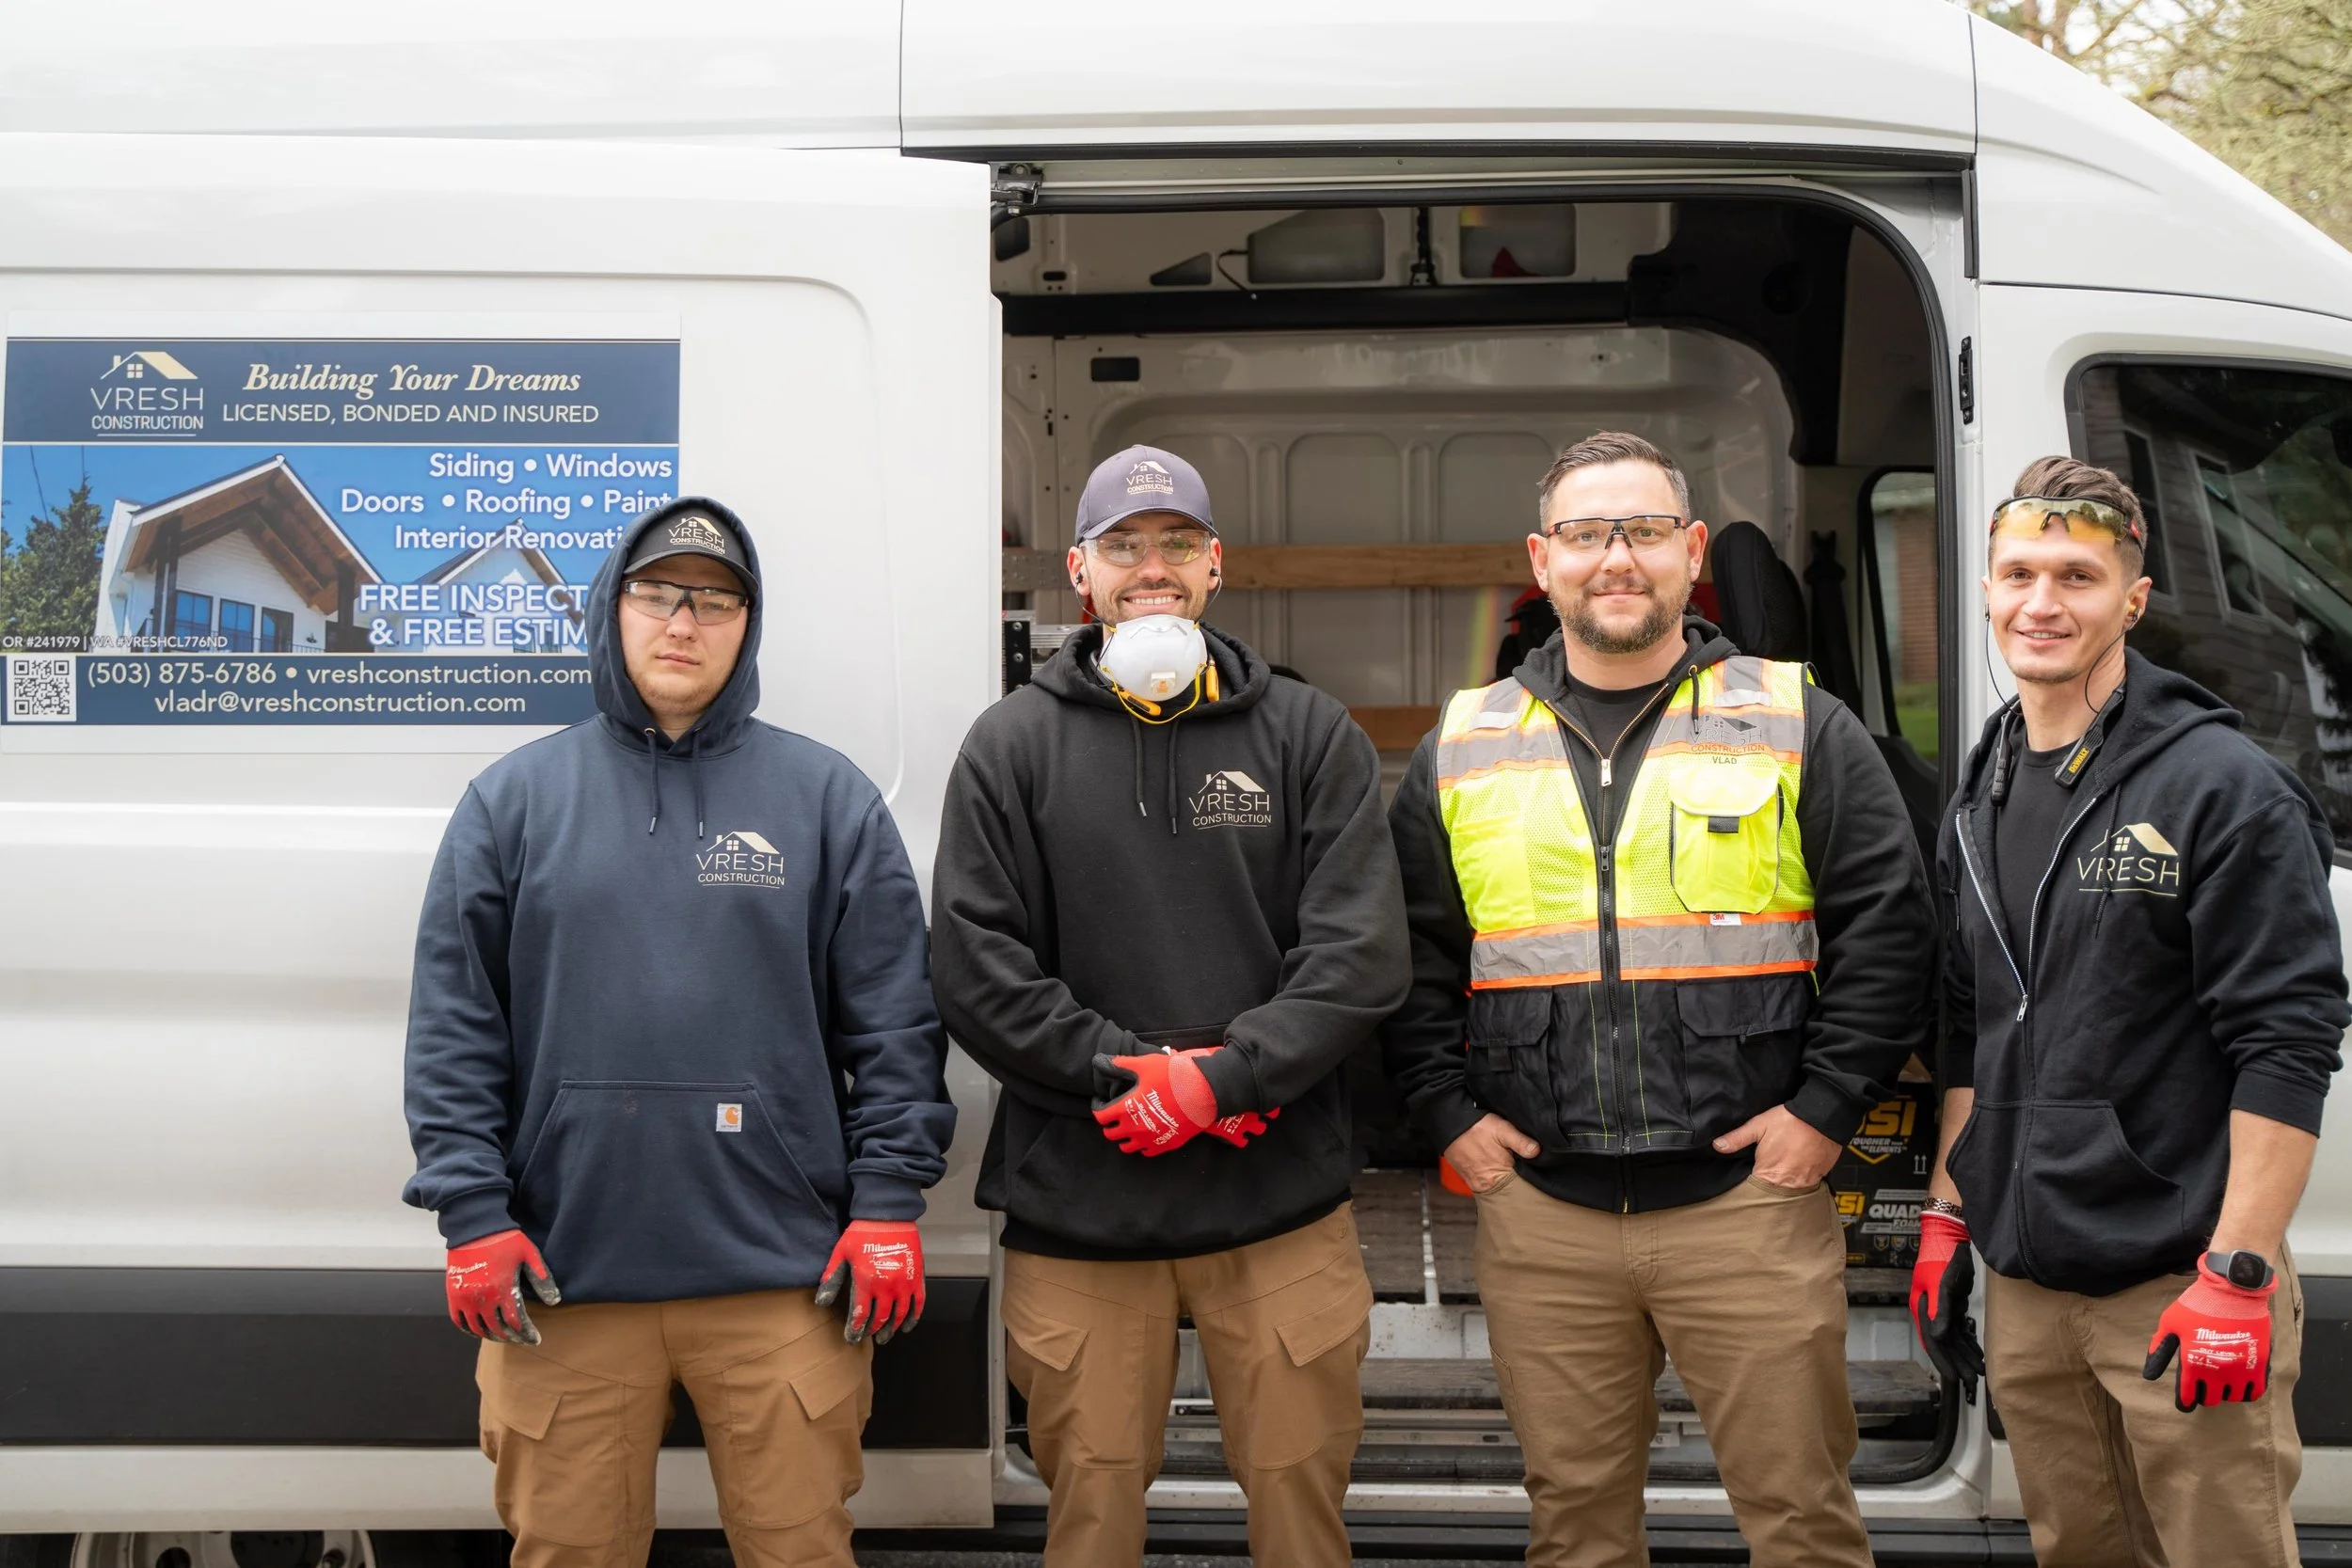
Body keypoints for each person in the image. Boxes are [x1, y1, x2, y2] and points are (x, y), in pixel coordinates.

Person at [1382, 431, 1935, 1568]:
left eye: (1640, 531)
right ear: (1543, 560)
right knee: (1576, 1526)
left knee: (1802, 1521)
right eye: (1586, 535)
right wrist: (1445, 1116)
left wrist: (1823, 1110)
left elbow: (1890, 929)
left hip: (1743, 1205)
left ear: (1690, 552)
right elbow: (1404, 954)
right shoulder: (1465, 741)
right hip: (1545, 1218)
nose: (1614, 558)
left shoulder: (1796, 719)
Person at [401, 498, 956, 1568]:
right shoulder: (512, 802)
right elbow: (456, 1028)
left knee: (799, 1552)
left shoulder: (827, 799)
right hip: (563, 1285)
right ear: (613, 608)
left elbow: (894, 1021)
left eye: (713, 599)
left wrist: (888, 1200)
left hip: (783, 1285)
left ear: (747, 624)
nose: (681, 622)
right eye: (657, 593)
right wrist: (469, 1210)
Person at [931, 445, 1408, 1567]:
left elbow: (1360, 951)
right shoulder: (1010, 745)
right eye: (1124, 545)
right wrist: (1129, 1075)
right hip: (1084, 1218)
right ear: (1078, 572)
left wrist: (1227, 1075)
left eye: (1176, 543)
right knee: (1090, 1515)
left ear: (1214, 565)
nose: (1152, 566)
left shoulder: (1309, 733)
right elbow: (972, 961)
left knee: (1302, 1510)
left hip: (1278, 1207)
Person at [1915, 457, 2347, 1567]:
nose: (2041, 602)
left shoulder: (2219, 785)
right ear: (1985, 589)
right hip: (2027, 1285)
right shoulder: (1986, 783)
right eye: (2017, 572)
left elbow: (2284, 1042)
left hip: (2175, 1277)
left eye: (2077, 574)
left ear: (2133, 599)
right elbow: (1973, 1021)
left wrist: (2237, 1274)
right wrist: (1949, 1209)